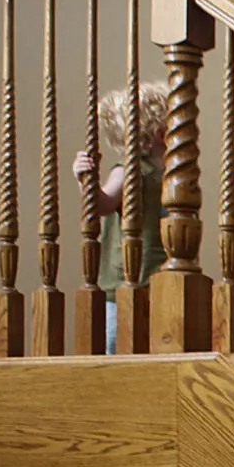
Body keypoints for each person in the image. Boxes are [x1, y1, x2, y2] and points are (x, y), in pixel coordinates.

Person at [75, 81, 168, 352]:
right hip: (122, 284)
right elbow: (102, 204)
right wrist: (86, 181)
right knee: (117, 345)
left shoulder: (170, 174)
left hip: (156, 279)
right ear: (162, 134)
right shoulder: (131, 170)